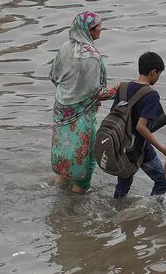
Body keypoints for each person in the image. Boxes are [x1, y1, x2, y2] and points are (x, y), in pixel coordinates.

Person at [49, 11, 116, 193]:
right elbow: (96, 94)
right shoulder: (91, 57)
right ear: (89, 30)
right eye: (98, 27)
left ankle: (57, 190)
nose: (101, 30)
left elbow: (54, 77)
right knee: (86, 161)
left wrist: (70, 92)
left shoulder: (65, 47)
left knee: (65, 154)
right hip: (81, 115)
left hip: (61, 110)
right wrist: (120, 90)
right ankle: (76, 206)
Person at [112, 52, 166, 199]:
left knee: (123, 185)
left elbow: (115, 115)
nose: (158, 78)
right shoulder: (151, 95)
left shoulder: (122, 87)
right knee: (162, 180)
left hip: (121, 145)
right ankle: (152, 213)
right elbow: (141, 127)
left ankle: (117, 213)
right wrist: (162, 148)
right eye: (159, 74)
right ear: (153, 72)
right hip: (139, 148)